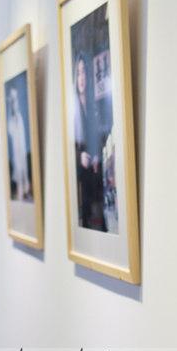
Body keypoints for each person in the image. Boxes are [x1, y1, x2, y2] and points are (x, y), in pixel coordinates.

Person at [72, 55, 105, 231]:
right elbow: (68, 147)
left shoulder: (93, 105)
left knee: (100, 219)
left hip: (96, 173)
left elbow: (99, 136)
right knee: (87, 220)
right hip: (81, 177)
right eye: (78, 73)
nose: (81, 77)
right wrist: (79, 157)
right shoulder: (72, 107)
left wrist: (97, 154)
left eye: (84, 72)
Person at [6, 88, 30, 201]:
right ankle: (19, 192)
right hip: (14, 153)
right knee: (17, 170)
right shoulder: (10, 120)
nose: (14, 104)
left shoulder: (19, 118)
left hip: (21, 150)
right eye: (12, 101)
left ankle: (25, 190)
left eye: (15, 100)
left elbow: (22, 137)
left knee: (23, 169)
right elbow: (11, 133)